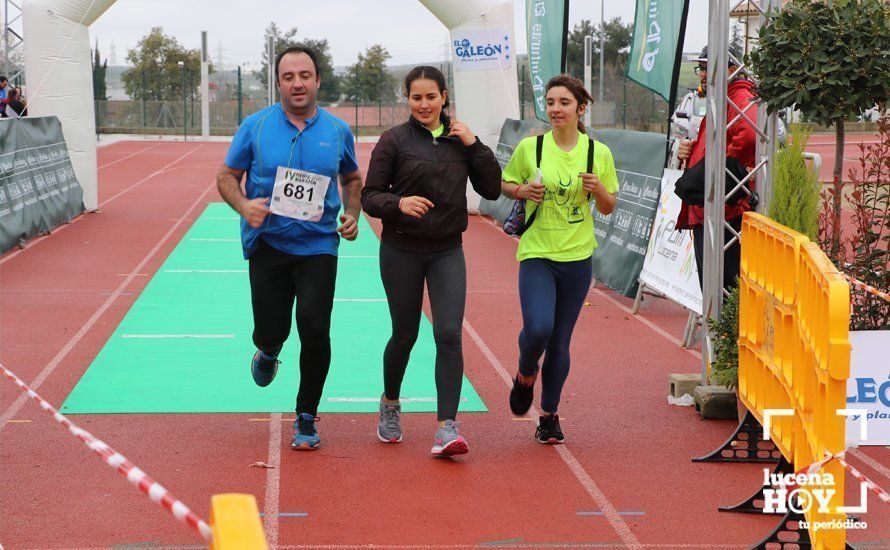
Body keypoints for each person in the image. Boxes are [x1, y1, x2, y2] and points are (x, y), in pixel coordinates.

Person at [216, 46, 363, 451]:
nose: (297, 83)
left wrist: (352, 213)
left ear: (318, 80)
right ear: (278, 82)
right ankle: (268, 349)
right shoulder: (256, 126)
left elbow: (352, 178)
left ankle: (306, 414)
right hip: (269, 245)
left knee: (315, 328)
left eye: (305, 75)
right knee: (272, 328)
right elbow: (227, 175)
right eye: (288, 76)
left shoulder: (336, 131)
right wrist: (245, 205)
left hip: (318, 247)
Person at [362, 66, 501, 457]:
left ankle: (446, 428)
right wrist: (399, 203)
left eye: (431, 97)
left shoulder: (461, 140)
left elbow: (491, 188)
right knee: (404, 335)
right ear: (407, 99)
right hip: (400, 250)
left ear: (444, 97)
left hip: (446, 251)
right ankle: (390, 403)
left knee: (449, 335)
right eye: (416, 97)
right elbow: (369, 196)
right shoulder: (393, 141)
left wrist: (475, 146)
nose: (424, 105)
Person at [501, 75, 619, 444]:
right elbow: (504, 183)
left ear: (580, 108)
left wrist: (598, 188)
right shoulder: (531, 148)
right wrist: (522, 190)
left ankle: (549, 416)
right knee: (538, 328)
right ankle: (524, 375)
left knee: (560, 341)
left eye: (564, 102)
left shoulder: (596, 153)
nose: (555, 109)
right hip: (537, 252)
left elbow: (609, 205)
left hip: (577, 258)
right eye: (550, 102)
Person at [676, 44, 758, 291]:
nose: (701, 74)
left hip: (725, 213)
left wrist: (721, 174)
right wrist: (690, 156)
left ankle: (723, 332)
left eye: (705, 68)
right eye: (700, 68)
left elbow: (750, 137)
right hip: (713, 210)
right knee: (715, 294)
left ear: (732, 69)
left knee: (724, 294)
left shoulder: (738, 97)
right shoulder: (723, 100)